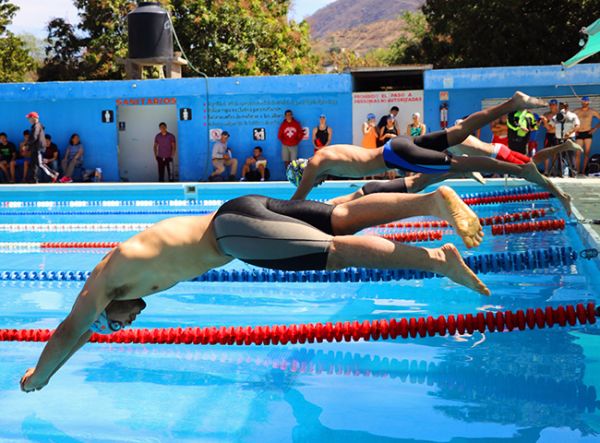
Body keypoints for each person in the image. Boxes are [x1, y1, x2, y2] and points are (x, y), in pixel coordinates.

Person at [20, 185, 490, 392]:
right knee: (340, 216)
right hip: (242, 208)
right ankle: (429, 201)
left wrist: (40, 376)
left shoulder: (103, 285)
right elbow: (84, 330)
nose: (128, 325)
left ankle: (437, 261)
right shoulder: (125, 274)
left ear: (107, 313)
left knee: (335, 252)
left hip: (234, 233)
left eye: (116, 327)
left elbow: (70, 332)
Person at [288, 92, 573, 214]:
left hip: (395, 157)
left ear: (303, 172)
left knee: (456, 165)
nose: (314, 182)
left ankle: (522, 170)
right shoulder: (327, 156)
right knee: (458, 134)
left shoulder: (315, 161)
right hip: (396, 146)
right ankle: (512, 102)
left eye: (307, 179)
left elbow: (296, 202)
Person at [26, 112, 58, 183]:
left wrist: (27, 144)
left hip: (37, 148)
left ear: (34, 118)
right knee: (33, 164)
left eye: (29, 118)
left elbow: (34, 137)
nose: (28, 120)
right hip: (35, 148)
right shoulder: (35, 126)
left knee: (40, 164)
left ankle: (53, 174)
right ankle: (33, 179)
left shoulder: (37, 126)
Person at [574, 96, 600, 174]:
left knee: (587, 153)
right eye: (583, 101)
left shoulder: (592, 111)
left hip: (588, 133)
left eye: (586, 101)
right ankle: (577, 171)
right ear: (581, 102)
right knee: (577, 153)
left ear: (588, 102)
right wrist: (574, 130)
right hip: (579, 133)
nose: (585, 103)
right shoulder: (577, 111)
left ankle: (583, 171)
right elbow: (568, 118)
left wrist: (594, 129)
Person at [540, 99, 560, 174]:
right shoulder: (546, 114)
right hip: (548, 135)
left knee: (555, 152)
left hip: (556, 135)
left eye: (553, 105)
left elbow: (556, 126)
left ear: (556, 105)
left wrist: (547, 123)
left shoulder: (559, 114)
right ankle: (546, 170)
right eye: (551, 105)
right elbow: (543, 125)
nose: (552, 106)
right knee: (546, 152)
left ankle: (553, 170)